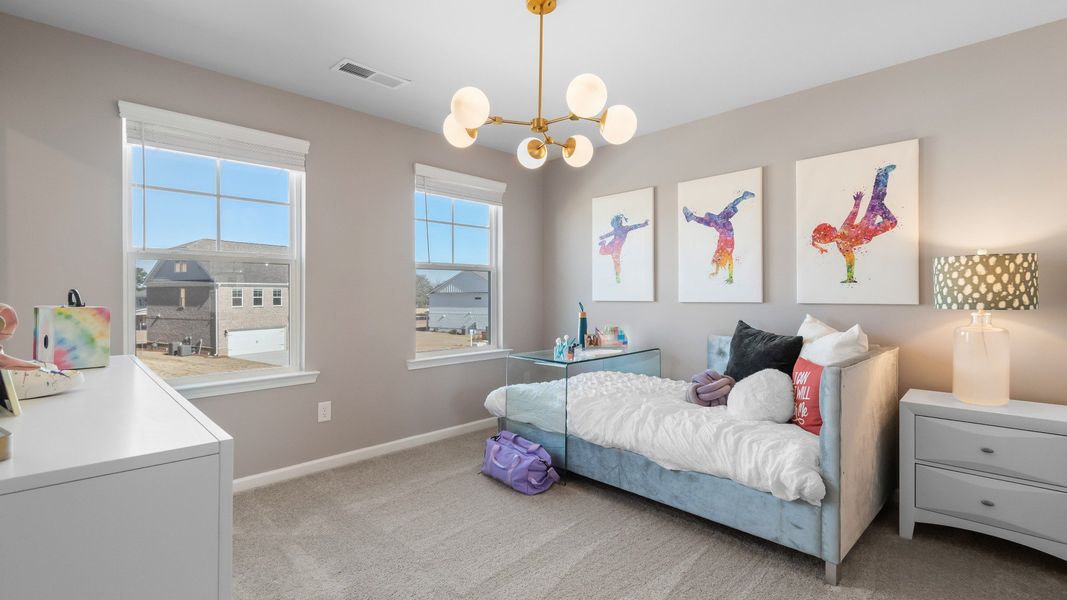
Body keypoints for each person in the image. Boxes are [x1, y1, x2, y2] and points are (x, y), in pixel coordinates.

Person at [811, 165, 899, 283]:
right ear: (828, 236)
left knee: (878, 200)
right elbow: (850, 259)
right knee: (892, 221)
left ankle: (881, 174)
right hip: (870, 232)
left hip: (868, 222)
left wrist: (857, 202)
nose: (833, 227)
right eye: (829, 229)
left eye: (830, 227)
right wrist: (850, 277)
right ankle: (880, 198)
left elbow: (852, 215)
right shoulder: (842, 246)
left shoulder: (843, 231)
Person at [682, 191, 754, 284]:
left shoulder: (718, 253)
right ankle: (693, 217)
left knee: (715, 219)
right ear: (723, 258)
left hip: (722, 230)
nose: (717, 254)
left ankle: (692, 217)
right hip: (727, 231)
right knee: (720, 216)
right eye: (719, 257)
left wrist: (716, 272)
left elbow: (717, 263)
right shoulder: (728, 255)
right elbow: (730, 265)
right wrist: (730, 277)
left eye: (717, 256)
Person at [597, 214, 649, 283]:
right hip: (611, 245)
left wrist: (644, 224)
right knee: (602, 252)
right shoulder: (616, 230)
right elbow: (609, 234)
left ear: (619, 222)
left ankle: (617, 276)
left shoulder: (625, 228)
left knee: (616, 262)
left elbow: (634, 226)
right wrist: (603, 237)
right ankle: (603, 243)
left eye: (616, 223)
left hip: (616, 249)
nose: (615, 225)